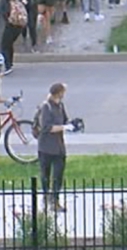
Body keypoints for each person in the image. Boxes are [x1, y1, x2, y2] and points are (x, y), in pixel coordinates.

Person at [37, 82, 80, 212]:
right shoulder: (46, 107)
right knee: (45, 175)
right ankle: (46, 198)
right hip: (46, 147)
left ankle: (54, 200)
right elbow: (46, 127)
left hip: (59, 147)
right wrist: (64, 127)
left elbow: (65, 120)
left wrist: (72, 125)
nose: (63, 95)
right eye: (62, 92)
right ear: (58, 93)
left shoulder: (60, 106)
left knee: (58, 176)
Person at [0, 0, 29, 73]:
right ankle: (10, 63)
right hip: (19, 25)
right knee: (9, 45)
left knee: (4, 46)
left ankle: (7, 66)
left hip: (10, 25)